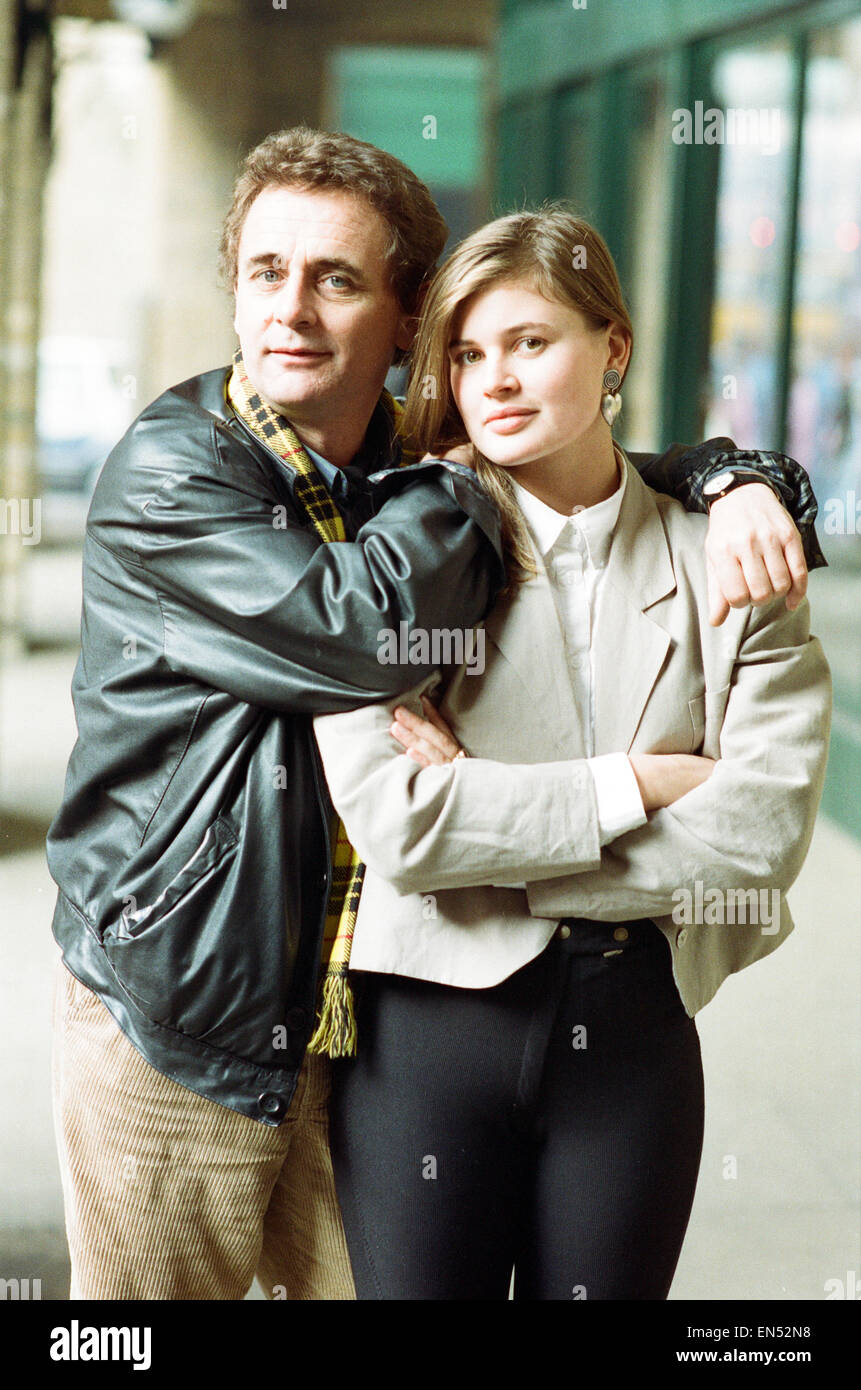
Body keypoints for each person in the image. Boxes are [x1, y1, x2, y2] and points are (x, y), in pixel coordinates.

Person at [47, 125, 822, 1302]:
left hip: (351, 1016)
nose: (290, 310)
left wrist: (732, 475)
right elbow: (360, 635)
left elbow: (569, 455)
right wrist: (638, 785)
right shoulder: (179, 471)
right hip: (181, 1013)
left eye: (336, 278)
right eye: (265, 272)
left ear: (401, 326)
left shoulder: (389, 479)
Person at [313, 208, 833, 1301]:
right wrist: (635, 786)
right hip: (425, 1034)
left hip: (634, 1031)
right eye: (466, 352)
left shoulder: (738, 552)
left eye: (532, 342)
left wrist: (488, 826)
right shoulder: (393, 555)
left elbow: (757, 841)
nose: (493, 379)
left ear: (616, 349)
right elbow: (403, 826)